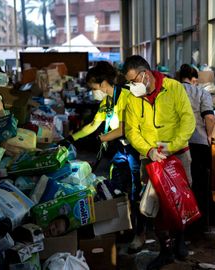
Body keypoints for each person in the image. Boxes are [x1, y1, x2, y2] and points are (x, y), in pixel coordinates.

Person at [59, 61, 145, 252]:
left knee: (135, 192)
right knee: (116, 188)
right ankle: (123, 228)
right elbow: (92, 125)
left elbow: (124, 128)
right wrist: (70, 138)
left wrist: (104, 137)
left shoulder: (125, 97)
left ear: (103, 82)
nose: (92, 91)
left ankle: (140, 233)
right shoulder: (106, 102)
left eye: (93, 87)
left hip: (134, 149)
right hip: (119, 151)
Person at [123, 55, 196, 270]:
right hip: (150, 157)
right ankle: (165, 250)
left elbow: (187, 120)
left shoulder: (173, 88)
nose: (131, 86)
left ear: (145, 75)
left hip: (177, 153)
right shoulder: (133, 97)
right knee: (154, 204)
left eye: (133, 81)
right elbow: (131, 130)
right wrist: (149, 150)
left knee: (180, 199)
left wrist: (171, 146)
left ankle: (180, 240)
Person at [178, 64, 215, 230]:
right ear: (193, 79)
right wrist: (209, 134)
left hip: (177, 144)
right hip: (199, 143)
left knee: (179, 184)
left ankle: (181, 221)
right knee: (200, 183)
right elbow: (209, 117)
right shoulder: (201, 92)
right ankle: (200, 223)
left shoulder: (172, 91)